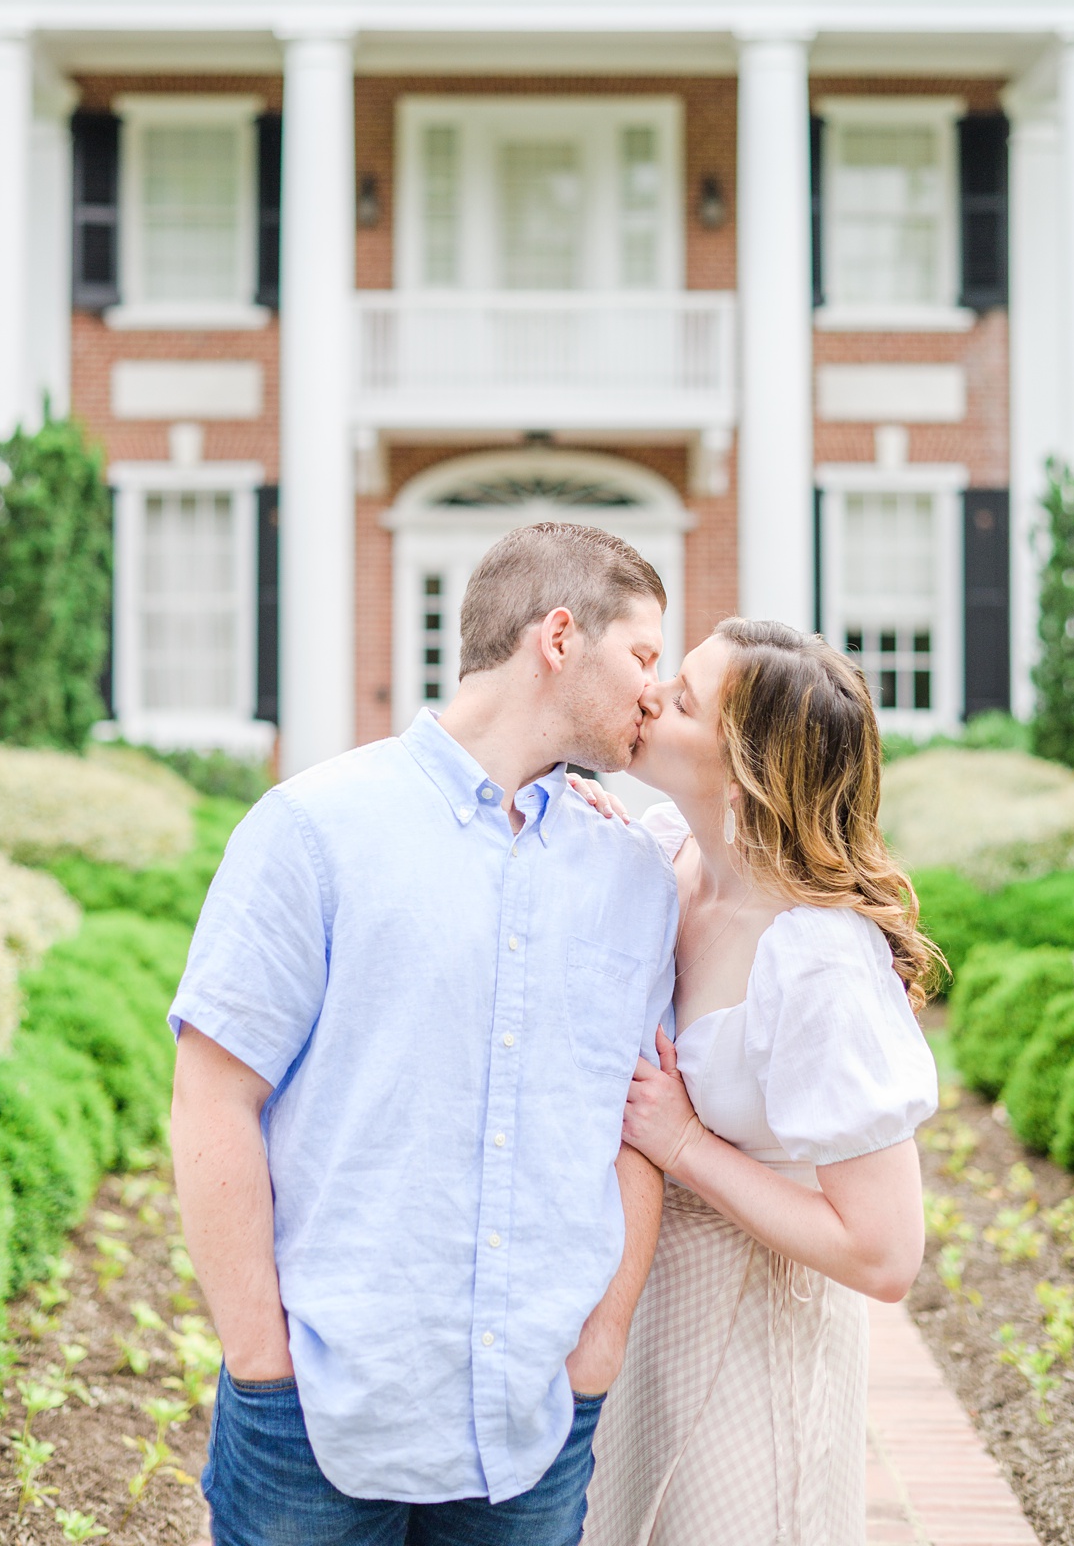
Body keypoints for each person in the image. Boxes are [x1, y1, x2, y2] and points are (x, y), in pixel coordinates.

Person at [171, 520, 680, 1545]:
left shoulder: (634, 875)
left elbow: (636, 1122)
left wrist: (600, 1344)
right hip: (315, 1411)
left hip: (535, 1424)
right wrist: (260, 1355)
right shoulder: (312, 827)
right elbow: (213, 1096)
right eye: (643, 655)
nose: (656, 693)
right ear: (560, 636)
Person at [581, 620, 938, 1546]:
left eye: (684, 699)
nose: (651, 694)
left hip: (755, 1338)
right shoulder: (672, 854)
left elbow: (886, 1255)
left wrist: (687, 1146)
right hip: (646, 1311)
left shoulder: (815, 959)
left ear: (741, 772)